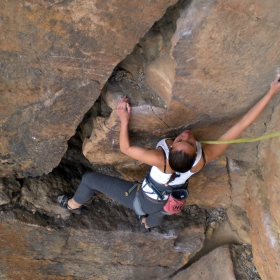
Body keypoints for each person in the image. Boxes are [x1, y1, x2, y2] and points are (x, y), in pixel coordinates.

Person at [58, 75, 280, 233]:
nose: (186, 135)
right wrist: (271, 91)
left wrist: (124, 120)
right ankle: (147, 225)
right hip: (165, 203)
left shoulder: (160, 160)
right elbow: (240, 126)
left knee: (89, 179)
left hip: (145, 200)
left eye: (186, 142)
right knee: (154, 218)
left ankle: (72, 206)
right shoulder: (202, 159)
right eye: (185, 141)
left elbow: (126, 149)